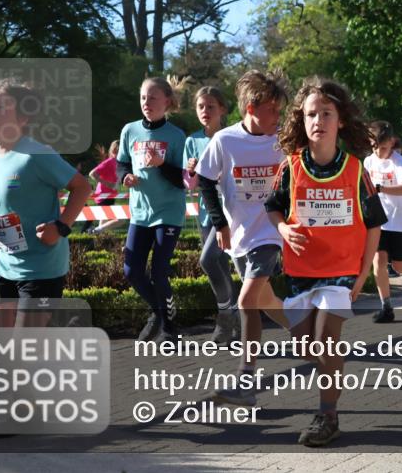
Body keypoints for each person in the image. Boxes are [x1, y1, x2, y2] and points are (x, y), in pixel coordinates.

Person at [265, 77, 386, 447]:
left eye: (326, 113)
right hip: (301, 272)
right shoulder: (290, 167)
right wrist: (284, 230)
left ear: (340, 121)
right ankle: (330, 393)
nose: (318, 120)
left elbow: (375, 225)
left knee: (323, 340)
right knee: (308, 347)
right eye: (311, 114)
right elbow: (272, 209)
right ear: (301, 121)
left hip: (342, 272)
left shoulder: (355, 169)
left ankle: (327, 415)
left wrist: (363, 274)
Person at [0, 80, 92, 327]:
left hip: (41, 267)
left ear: (23, 118)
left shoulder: (37, 154)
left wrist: (61, 227)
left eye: (1, 107)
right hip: (4, 264)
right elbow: (0, 211)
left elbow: (82, 187)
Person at [197, 71, 292, 406]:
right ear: (252, 108)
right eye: (273, 110)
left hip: (271, 233)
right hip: (239, 234)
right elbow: (205, 181)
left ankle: (246, 381)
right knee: (266, 301)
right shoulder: (225, 140)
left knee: (247, 300)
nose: (278, 117)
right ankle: (311, 341)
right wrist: (219, 224)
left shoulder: (283, 140)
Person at [117, 76, 187, 343]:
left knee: (159, 271)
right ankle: (158, 311)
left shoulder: (176, 136)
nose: (147, 103)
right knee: (131, 271)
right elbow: (122, 163)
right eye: (143, 97)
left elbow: (183, 180)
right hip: (140, 213)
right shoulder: (129, 131)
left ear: (167, 101)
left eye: (153, 98)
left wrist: (161, 164)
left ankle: (170, 329)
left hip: (168, 211)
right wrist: (125, 177)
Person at [184, 86, 240, 344]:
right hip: (207, 213)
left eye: (210, 107)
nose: (205, 112)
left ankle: (225, 318)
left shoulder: (232, 137)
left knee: (207, 260)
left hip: (230, 212)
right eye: (200, 107)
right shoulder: (192, 141)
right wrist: (193, 172)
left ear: (223, 110)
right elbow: (190, 184)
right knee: (219, 267)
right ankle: (235, 324)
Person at [364, 120, 402, 323]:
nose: (378, 151)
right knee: (379, 262)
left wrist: (381, 189)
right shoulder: (368, 161)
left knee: (400, 266)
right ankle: (386, 306)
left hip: (399, 223)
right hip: (379, 223)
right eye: (374, 146)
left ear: (392, 142)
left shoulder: (399, 162)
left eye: (383, 147)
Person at [87, 141, 125, 234]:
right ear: (115, 150)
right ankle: (94, 231)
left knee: (102, 226)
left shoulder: (118, 162)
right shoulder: (110, 161)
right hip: (104, 196)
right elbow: (92, 173)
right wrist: (108, 184)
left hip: (109, 196)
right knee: (121, 219)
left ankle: (94, 235)